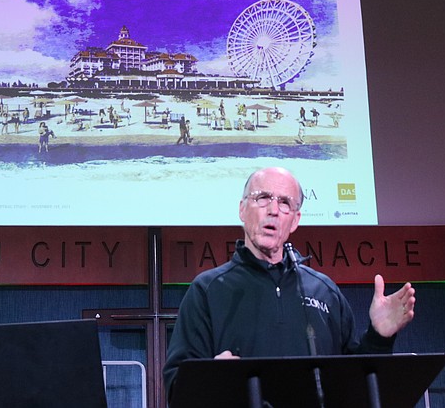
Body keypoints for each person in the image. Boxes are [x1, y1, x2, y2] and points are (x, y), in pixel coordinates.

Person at [162, 167, 416, 401]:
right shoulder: (207, 290)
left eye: (284, 203)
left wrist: (379, 336)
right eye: (262, 198)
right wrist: (209, 377)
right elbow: (175, 386)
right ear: (242, 209)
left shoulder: (324, 291)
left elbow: (354, 386)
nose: (273, 209)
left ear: (295, 220)